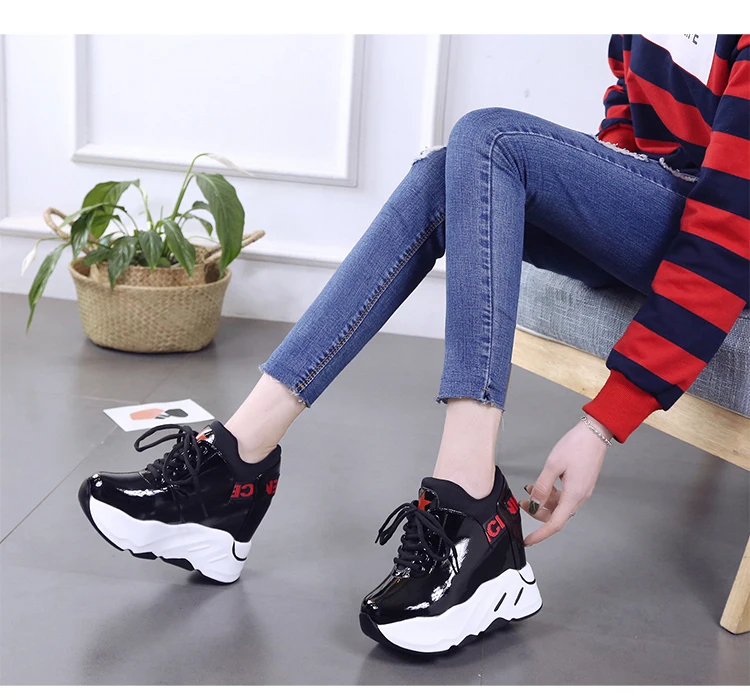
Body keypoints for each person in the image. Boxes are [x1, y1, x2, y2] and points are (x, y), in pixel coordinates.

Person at [78, 34, 749, 655]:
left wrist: (605, 421)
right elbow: (627, 121)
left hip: (729, 232)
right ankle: (234, 468)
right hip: (665, 202)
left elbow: (727, 240)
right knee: (444, 174)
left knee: (489, 135)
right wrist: (594, 188)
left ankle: (472, 506)